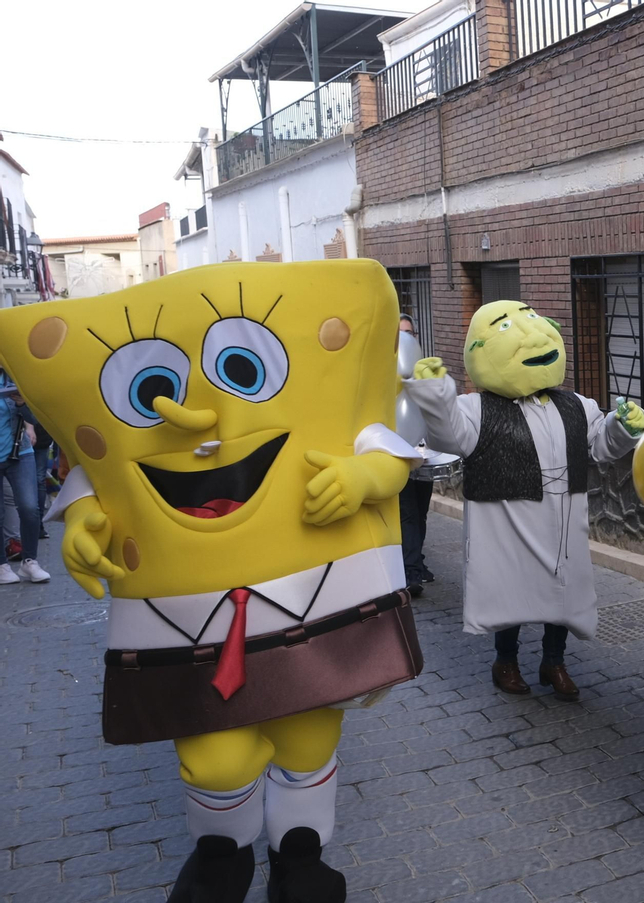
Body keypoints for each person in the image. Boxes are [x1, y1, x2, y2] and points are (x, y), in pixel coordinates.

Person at [0, 261, 428, 903]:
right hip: (187, 619)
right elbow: (107, 470)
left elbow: (389, 449)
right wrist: (85, 521)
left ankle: (300, 854)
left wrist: (365, 478)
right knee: (215, 755)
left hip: (308, 603)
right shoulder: (142, 446)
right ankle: (222, 853)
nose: (194, 415)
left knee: (309, 737)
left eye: (242, 371)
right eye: (149, 391)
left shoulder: (332, 401)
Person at [406, 302, 644, 700]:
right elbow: (447, 437)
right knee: (510, 591)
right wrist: (436, 395)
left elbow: (600, 447)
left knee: (563, 592)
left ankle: (554, 662)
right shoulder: (476, 409)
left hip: (563, 521)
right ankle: (506, 661)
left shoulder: (577, 405)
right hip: (507, 520)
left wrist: (622, 427)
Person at [395, 315, 435, 595]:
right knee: (407, 514)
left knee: (420, 513)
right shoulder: (382, 374)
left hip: (424, 453)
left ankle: (416, 561)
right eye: (401, 335)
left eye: (411, 333)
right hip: (397, 455)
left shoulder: (424, 371)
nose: (407, 339)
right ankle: (410, 574)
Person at [0, 368, 49, 584]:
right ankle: (2, 566)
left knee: (29, 508)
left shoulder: (12, 375)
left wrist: (21, 403)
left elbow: (35, 418)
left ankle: (29, 562)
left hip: (20, 452)